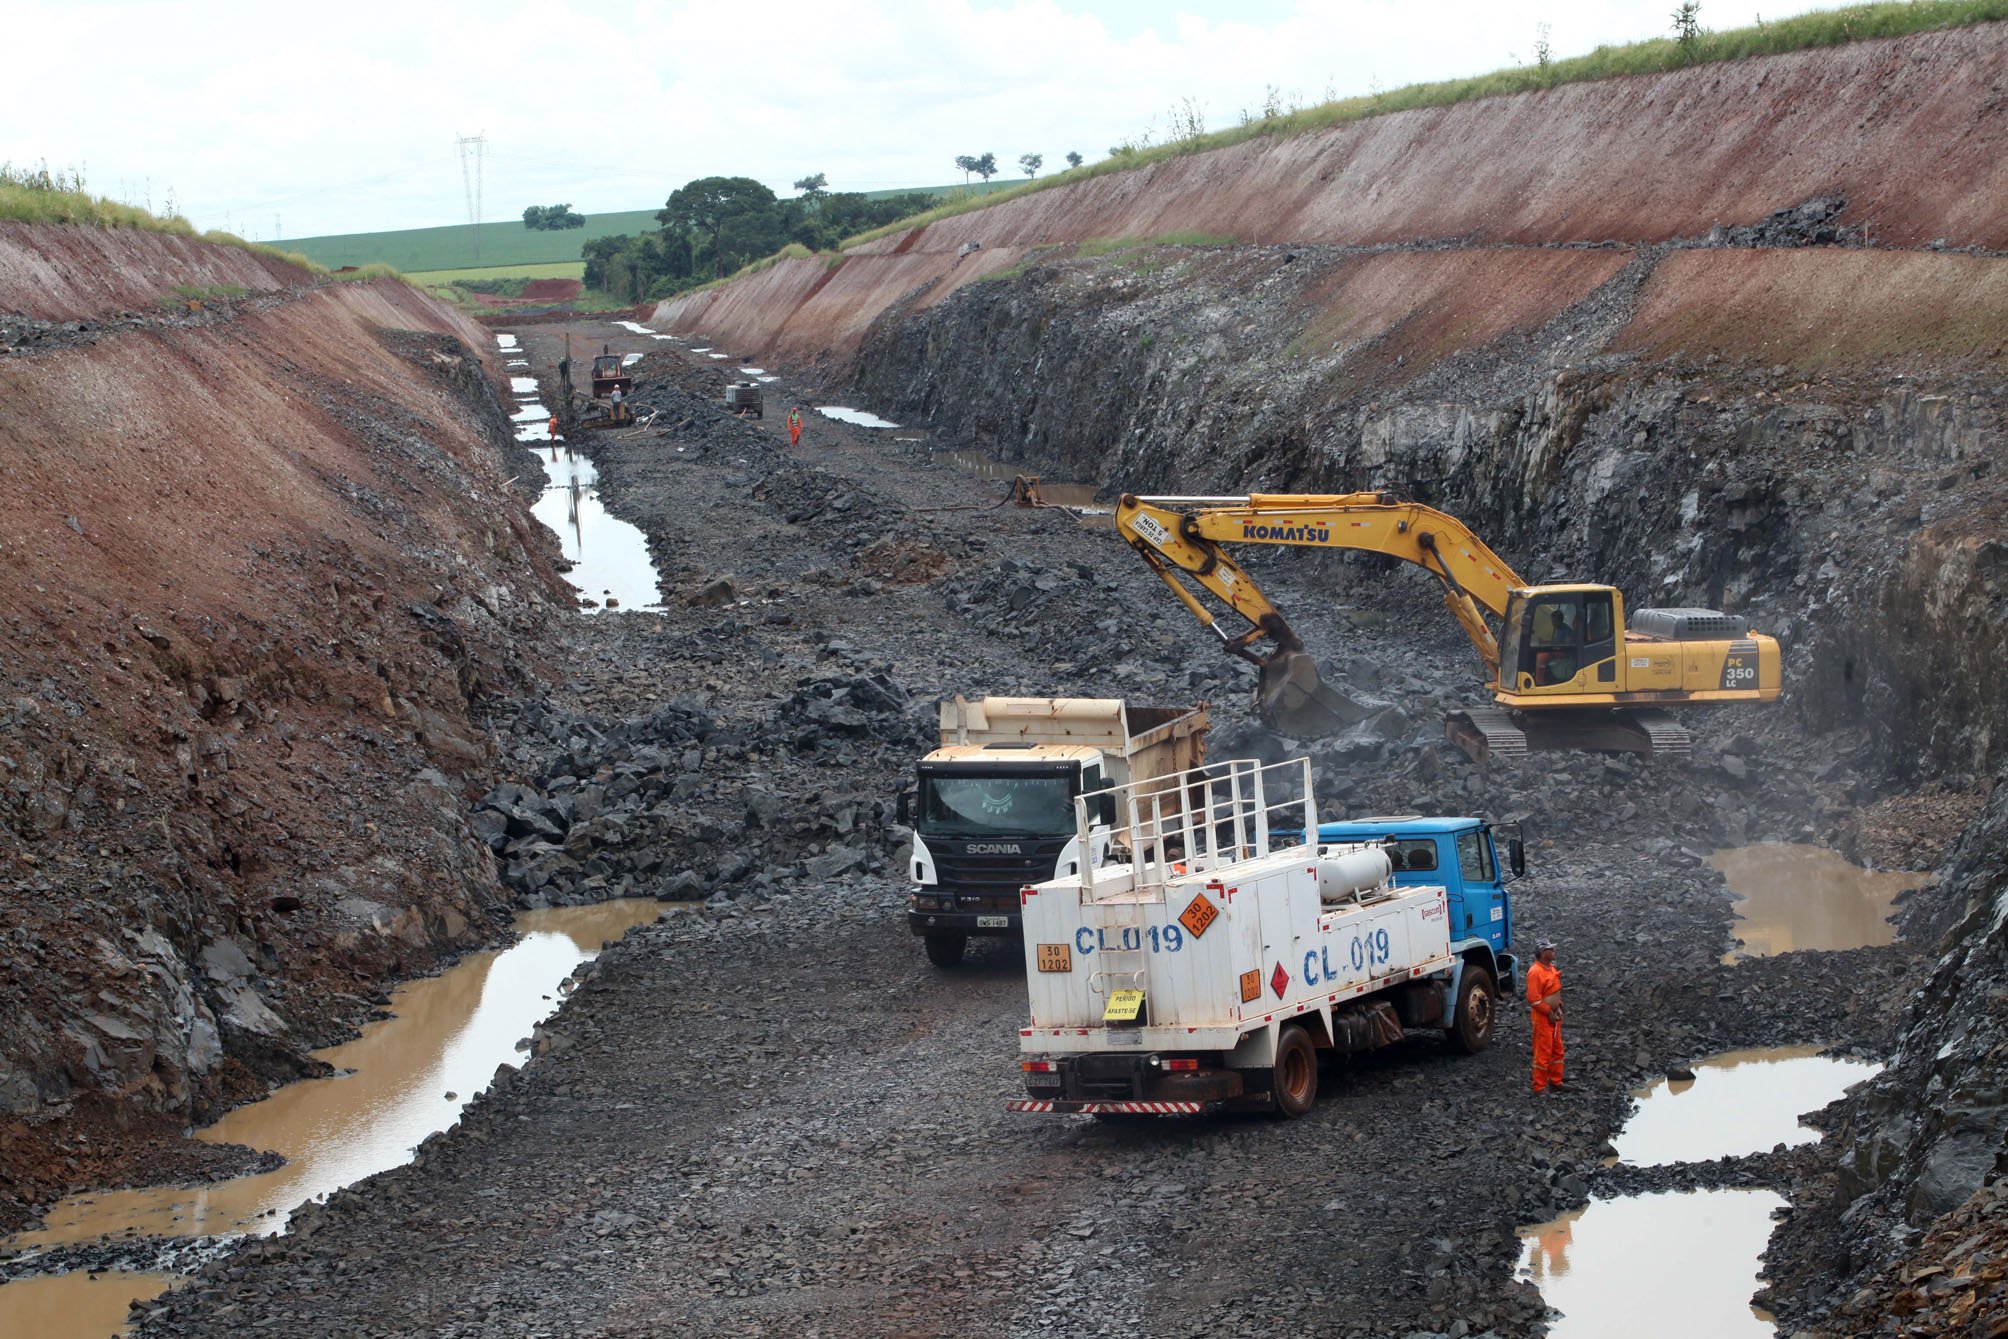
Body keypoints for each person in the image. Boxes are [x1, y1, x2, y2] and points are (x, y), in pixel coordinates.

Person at [1527, 939, 1565, 1093]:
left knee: (1557, 1049)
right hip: (1543, 1018)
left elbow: (1555, 990)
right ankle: (1539, 1086)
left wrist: (1559, 1008)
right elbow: (1533, 999)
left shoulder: (1550, 968)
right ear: (1543, 953)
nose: (1554, 952)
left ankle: (1556, 1081)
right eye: (1550, 949)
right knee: (1543, 1052)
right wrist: (1549, 1012)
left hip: (1554, 1016)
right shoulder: (1535, 972)